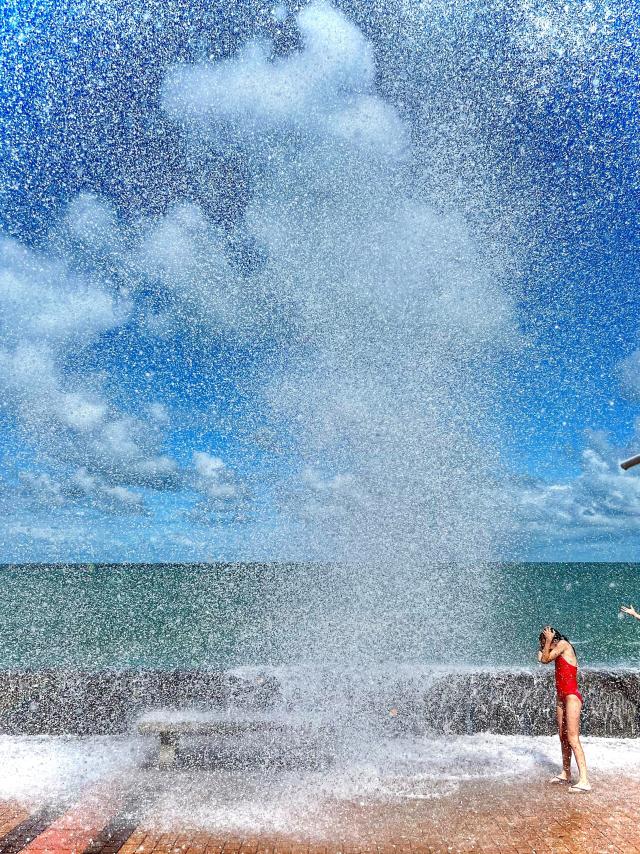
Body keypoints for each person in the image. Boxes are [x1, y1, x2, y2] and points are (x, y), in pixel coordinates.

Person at [538, 626, 591, 792]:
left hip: (571, 697)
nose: (543, 646)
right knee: (563, 736)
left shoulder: (563, 644)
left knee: (573, 737)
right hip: (561, 697)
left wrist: (548, 641)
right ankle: (566, 773)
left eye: (545, 641)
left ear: (553, 639)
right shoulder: (555, 648)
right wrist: (545, 645)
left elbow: (544, 659)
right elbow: (543, 657)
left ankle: (584, 781)